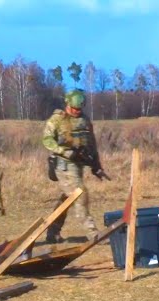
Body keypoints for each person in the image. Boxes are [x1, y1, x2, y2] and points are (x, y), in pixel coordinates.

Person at [42, 89, 106, 243]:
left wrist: (96, 165)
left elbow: (91, 144)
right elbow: (47, 140)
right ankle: (93, 234)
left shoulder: (84, 120)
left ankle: (52, 232)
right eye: (74, 108)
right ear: (67, 104)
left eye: (80, 109)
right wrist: (63, 151)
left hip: (79, 164)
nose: (77, 111)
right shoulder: (57, 119)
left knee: (67, 199)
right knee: (80, 193)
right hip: (64, 165)